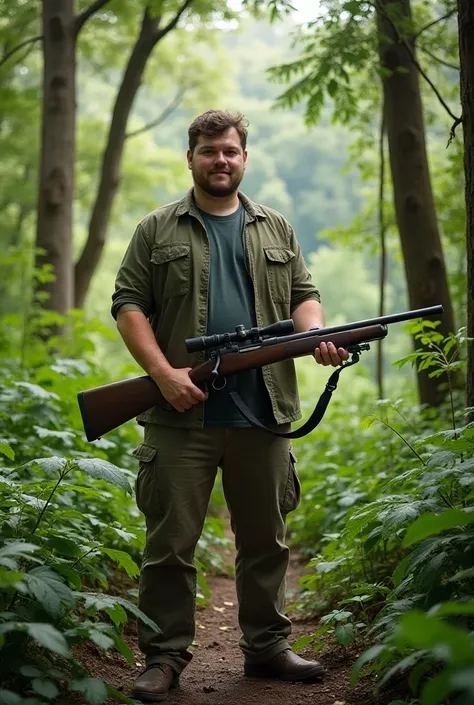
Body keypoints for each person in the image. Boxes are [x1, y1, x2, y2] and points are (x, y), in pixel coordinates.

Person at [111, 110, 349, 703]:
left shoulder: (276, 228)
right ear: (190, 157)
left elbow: (304, 295)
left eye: (232, 151)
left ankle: (267, 648)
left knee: (266, 539)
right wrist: (163, 375)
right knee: (169, 544)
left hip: (262, 410)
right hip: (178, 413)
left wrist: (313, 335)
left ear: (245, 158)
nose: (222, 160)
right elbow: (127, 304)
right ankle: (163, 658)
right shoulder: (156, 228)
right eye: (210, 150)